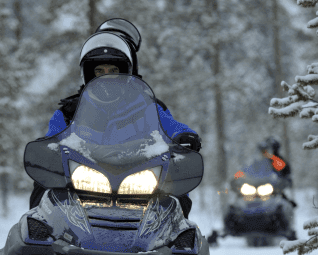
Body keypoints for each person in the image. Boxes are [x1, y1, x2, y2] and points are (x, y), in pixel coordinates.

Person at [29, 18, 201, 218]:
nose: (106, 76)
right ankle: (39, 229)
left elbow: (173, 126)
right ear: (88, 74)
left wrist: (185, 136)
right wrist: (47, 150)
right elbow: (51, 139)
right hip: (82, 184)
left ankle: (176, 232)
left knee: (174, 188)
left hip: (139, 183)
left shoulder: (146, 106)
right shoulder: (69, 112)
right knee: (44, 185)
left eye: (113, 71)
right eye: (99, 71)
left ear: (126, 71)